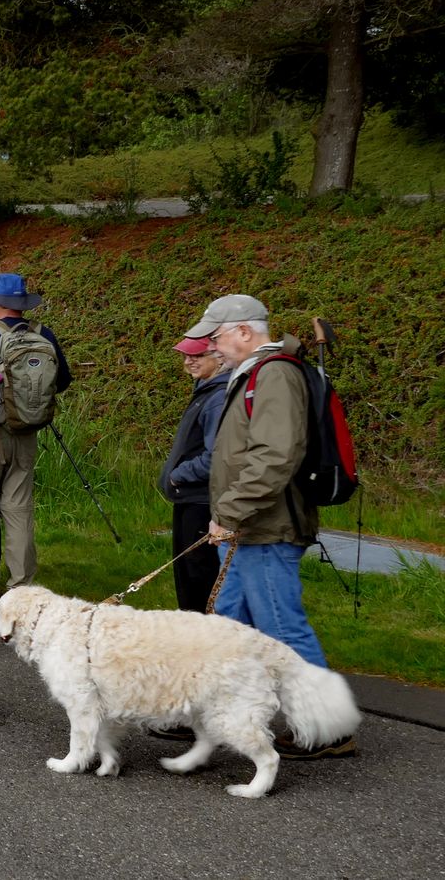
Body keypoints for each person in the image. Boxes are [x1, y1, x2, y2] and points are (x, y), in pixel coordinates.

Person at [189, 294, 354, 760]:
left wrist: (231, 511)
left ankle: (328, 730)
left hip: (266, 528)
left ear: (244, 331)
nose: (213, 348)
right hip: (246, 526)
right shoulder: (253, 373)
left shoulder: (275, 374)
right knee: (226, 622)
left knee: (281, 627)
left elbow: (275, 455)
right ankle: (213, 719)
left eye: (217, 338)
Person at [0, 273, 72, 617]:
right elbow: (61, 380)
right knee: (19, 511)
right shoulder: (42, 335)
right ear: (23, 305)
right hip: (28, 432)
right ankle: (22, 592)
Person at [158, 336, 230, 612]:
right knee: (187, 575)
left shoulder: (218, 397)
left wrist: (180, 474)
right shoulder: (206, 389)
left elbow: (217, 455)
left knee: (199, 578)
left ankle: (202, 639)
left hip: (202, 501)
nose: (189, 361)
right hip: (190, 499)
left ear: (218, 356)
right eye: (186, 355)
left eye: (197, 356)